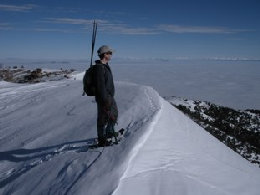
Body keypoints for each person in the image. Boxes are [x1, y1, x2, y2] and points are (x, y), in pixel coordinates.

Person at [95, 45, 118, 146]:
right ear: (105, 54)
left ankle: (108, 133)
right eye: (110, 53)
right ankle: (101, 140)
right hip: (104, 98)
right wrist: (105, 101)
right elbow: (100, 87)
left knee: (114, 115)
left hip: (109, 97)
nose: (111, 55)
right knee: (102, 118)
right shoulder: (99, 69)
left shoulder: (105, 66)